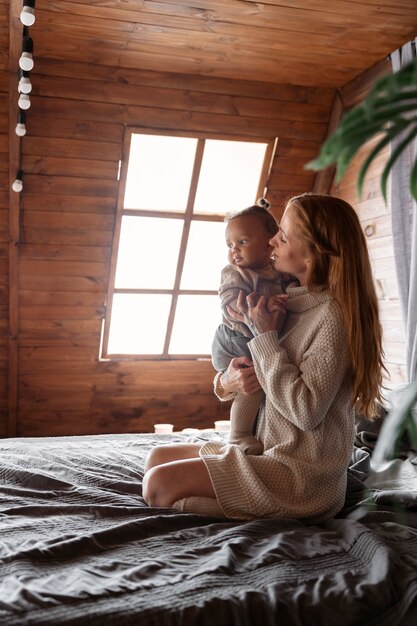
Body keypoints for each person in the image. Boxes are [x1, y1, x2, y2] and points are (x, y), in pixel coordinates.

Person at [142, 193, 385, 522]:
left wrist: (265, 336)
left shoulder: (333, 317)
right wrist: (227, 381)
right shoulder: (291, 301)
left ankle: (260, 514)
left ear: (313, 253)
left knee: (158, 485)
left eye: (282, 236)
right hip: (265, 448)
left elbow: (306, 412)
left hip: (301, 477)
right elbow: (261, 375)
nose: (271, 241)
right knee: (155, 458)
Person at [212, 199, 296, 456]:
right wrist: (265, 306)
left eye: (243, 242)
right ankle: (238, 434)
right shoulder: (235, 272)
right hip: (234, 337)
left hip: (254, 337)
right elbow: (231, 306)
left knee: (257, 376)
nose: (234, 250)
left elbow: (293, 292)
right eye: (230, 244)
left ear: (269, 241)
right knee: (254, 377)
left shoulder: (279, 272)